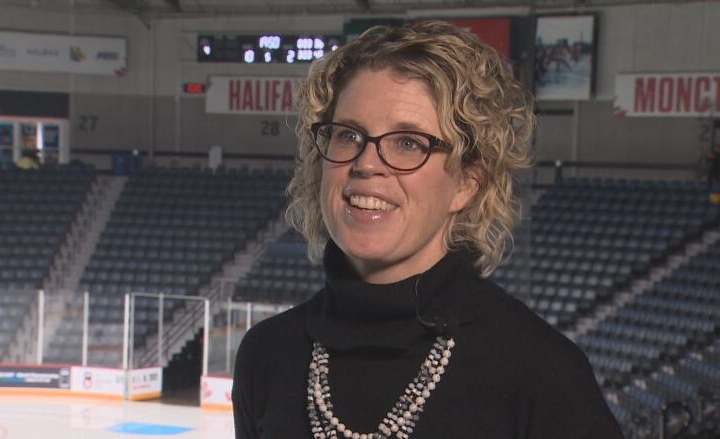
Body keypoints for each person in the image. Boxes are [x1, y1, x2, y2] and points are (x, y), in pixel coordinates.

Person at [232, 20, 624, 438]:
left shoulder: (542, 374)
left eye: (408, 143)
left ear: (468, 184)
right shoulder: (266, 354)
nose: (366, 163)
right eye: (348, 135)